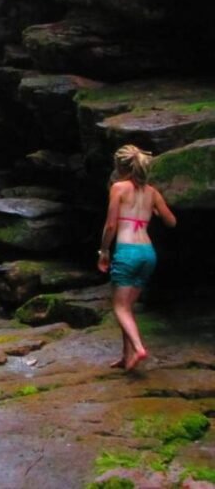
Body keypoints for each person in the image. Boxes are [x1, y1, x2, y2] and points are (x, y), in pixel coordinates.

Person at [97, 145, 176, 371]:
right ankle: (126, 355)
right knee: (128, 307)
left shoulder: (119, 188)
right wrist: (156, 211)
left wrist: (104, 251)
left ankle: (139, 348)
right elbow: (172, 222)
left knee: (120, 308)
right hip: (148, 254)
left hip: (127, 252)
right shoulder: (152, 192)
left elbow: (111, 225)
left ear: (120, 167)